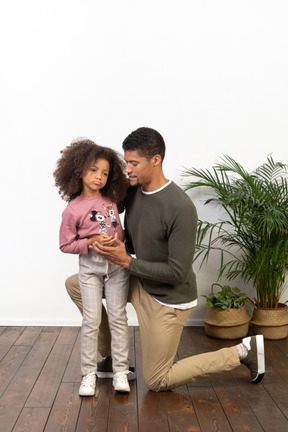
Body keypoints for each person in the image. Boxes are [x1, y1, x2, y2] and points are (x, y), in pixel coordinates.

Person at [65, 127, 265, 392]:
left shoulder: (180, 207)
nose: (128, 169)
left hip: (168, 298)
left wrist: (126, 262)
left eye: (134, 163)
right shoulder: (133, 192)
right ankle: (116, 359)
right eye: (126, 162)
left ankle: (242, 352)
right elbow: (101, 208)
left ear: (155, 160)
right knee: (75, 284)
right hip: (141, 279)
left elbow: (177, 273)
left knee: (158, 380)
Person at [54, 138, 133, 396]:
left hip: (117, 267)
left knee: (119, 317)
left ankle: (120, 371)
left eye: (105, 172)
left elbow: (126, 200)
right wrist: (89, 242)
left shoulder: (113, 199)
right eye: (93, 170)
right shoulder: (73, 210)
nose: (99, 177)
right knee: (91, 320)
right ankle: (89, 373)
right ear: (78, 170)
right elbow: (65, 244)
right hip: (90, 268)